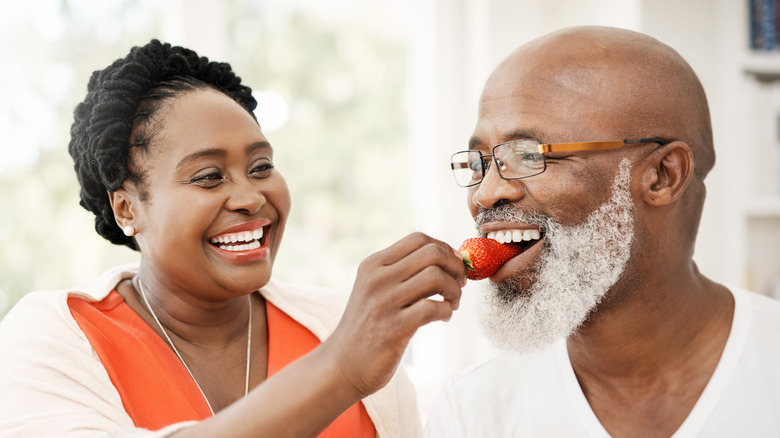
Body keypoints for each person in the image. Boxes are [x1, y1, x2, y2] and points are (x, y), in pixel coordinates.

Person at [0, 40, 465, 437]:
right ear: (127, 208)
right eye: (208, 176)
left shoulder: (336, 324)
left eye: (261, 167)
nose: (249, 196)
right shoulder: (54, 336)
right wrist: (340, 370)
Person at [426, 25, 780, 437]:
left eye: (527, 154)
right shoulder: (473, 412)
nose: (484, 195)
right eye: (481, 161)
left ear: (663, 176)